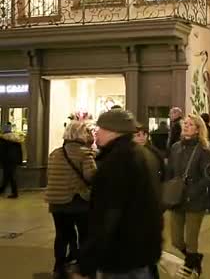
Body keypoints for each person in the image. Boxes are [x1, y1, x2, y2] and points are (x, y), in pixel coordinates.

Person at [75, 109, 163, 279]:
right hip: (142, 253)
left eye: (99, 128)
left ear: (113, 131)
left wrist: (86, 261)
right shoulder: (144, 156)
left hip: (120, 257)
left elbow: (107, 216)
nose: (96, 133)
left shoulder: (115, 162)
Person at [167, 114, 210, 277]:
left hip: (195, 201)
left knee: (191, 240)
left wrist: (193, 191)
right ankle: (195, 259)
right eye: (185, 124)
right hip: (177, 199)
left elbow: (208, 176)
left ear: (197, 129)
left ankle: (190, 270)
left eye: (190, 124)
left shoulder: (203, 150)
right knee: (176, 240)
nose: (186, 126)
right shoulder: (175, 147)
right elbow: (171, 172)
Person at [46, 121, 97, 279]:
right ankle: (83, 267)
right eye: (88, 132)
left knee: (62, 235)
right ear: (81, 134)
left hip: (56, 203)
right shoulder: (84, 153)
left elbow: (50, 176)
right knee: (84, 235)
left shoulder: (55, 153)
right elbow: (91, 176)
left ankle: (59, 267)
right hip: (77, 202)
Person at [0, 122, 22, 198]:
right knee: (9, 176)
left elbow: (1, 151)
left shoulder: (2, 139)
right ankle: (5, 190)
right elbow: (20, 151)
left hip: (6, 160)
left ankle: (12, 192)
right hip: (14, 160)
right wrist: (20, 161)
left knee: (9, 176)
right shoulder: (16, 139)